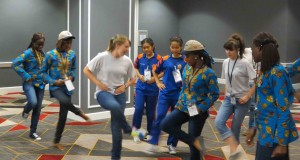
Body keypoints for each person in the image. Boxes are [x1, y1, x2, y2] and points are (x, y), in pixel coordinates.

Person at [161, 40, 219, 160]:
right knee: (166, 124)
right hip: (183, 106)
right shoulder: (187, 68)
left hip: (198, 111)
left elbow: (214, 94)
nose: (185, 59)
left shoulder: (208, 73)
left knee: (194, 150)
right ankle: (193, 141)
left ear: (196, 56)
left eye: (187, 56)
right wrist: (178, 103)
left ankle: (194, 143)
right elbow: (184, 87)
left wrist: (201, 108)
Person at [83, 34, 137, 160]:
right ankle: (128, 129)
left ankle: (115, 157)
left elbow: (133, 78)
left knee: (116, 129)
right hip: (104, 93)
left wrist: (125, 85)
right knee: (114, 106)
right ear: (118, 45)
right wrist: (99, 84)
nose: (128, 49)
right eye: (126, 47)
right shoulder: (102, 56)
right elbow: (86, 70)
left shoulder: (127, 61)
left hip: (120, 94)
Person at [246, 32, 299, 160]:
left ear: (260, 48)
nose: (251, 52)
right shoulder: (265, 72)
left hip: (275, 136)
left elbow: (283, 110)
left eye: (253, 48)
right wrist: (253, 127)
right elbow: (261, 104)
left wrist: (282, 142)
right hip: (264, 133)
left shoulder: (277, 72)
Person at [41, 30, 90, 150]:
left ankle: (56, 141)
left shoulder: (72, 54)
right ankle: (78, 112)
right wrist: (53, 81)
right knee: (63, 101)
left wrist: (72, 76)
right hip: (56, 86)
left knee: (63, 116)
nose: (69, 45)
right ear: (60, 42)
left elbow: (73, 68)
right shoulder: (50, 54)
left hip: (68, 86)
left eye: (70, 43)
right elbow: (42, 73)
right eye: (66, 43)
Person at [214, 33, 256, 159]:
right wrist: (225, 96)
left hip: (242, 100)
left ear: (238, 49)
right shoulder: (226, 62)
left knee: (235, 127)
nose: (228, 52)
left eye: (230, 50)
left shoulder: (245, 63)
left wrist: (248, 96)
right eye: (226, 49)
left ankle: (234, 152)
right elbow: (227, 80)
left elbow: (257, 81)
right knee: (218, 122)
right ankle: (234, 146)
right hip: (228, 98)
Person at [146, 36, 186, 154]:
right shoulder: (165, 59)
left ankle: (172, 145)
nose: (174, 49)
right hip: (165, 94)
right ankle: (153, 143)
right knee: (160, 117)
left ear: (181, 47)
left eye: (177, 47)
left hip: (179, 94)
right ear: (170, 47)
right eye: (172, 47)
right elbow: (154, 70)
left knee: (176, 121)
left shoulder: (185, 60)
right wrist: (158, 82)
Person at [12, 33, 46, 141]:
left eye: (42, 45)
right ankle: (25, 110)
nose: (40, 47)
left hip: (40, 84)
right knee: (33, 102)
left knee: (37, 109)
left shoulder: (42, 54)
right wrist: (26, 75)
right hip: (29, 83)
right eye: (38, 44)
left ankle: (33, 132)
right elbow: (14, 64)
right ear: (33, 42)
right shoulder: (27, 53)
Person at [132, 38, 163, 143]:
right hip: (141, 88)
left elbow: (163, 70)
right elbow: (135, 67)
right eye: (144, 48)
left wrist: (154, 79)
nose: (145, 49)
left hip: (153, 89)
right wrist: (139, 75)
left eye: (147, 47)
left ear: (153, 46)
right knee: (138, 109)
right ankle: (136, 133)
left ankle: (150, 133)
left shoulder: (159, 58)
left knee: (150, 113)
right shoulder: (140, 57)